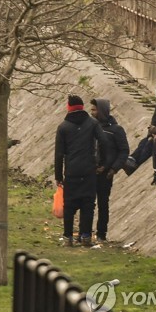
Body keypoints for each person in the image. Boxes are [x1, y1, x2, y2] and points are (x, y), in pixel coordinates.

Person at [55, 95, 107, 247]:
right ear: (82, 107)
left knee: (69, 205)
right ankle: (85, 236)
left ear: (68, 108)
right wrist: (100, 163)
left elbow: (59, 154)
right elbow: (103, 141)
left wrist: (58, 176)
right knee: (88, 204)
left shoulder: (63, 127)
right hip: (89, 170)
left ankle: (68, 237)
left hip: (71, 171)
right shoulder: (93, 123)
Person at [90, 98, 129, 242]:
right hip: (90, 171)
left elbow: (124, 151)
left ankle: (101, 233)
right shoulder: (91, 127)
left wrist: (114, 168)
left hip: (106, 173)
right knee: (88, 203)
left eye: (94, 109)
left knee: (103, 203)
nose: (92, 112)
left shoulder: (116, 130)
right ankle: (86, 233)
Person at [123, 83, 156, 175]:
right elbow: (154, 120)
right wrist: (151, 133)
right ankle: (132, 159)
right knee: (145, 141)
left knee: (151, 144)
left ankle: (136, 163)